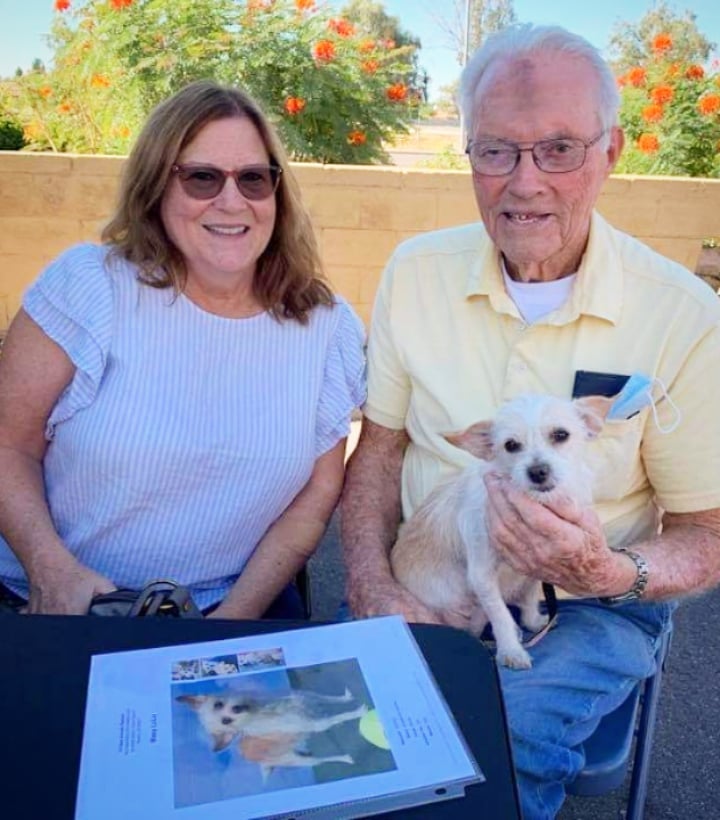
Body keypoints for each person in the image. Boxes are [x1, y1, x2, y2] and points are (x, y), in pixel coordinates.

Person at [340, 24, 720, 819]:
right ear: (469, 155)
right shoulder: (416, 272)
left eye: (557, 149)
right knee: (344, 748)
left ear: (611, 150)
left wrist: (611, 574)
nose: (525, 182)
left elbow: (706, 533)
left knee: (490, 749)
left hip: (591, 606)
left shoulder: (683, 316)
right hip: (427, 571)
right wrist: (373, 586)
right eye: (496, 150)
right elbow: (377, 449)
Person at [0, 80, 365, 620]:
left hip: (229, 608)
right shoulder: (89, 287)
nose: (231, 200)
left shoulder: (327, 328)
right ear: (156, 188)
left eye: (253, 179)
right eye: (201, 178)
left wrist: (232, 619)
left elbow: (313, 499)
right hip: (57, 602)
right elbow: (10, 445)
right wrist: (51, 572)